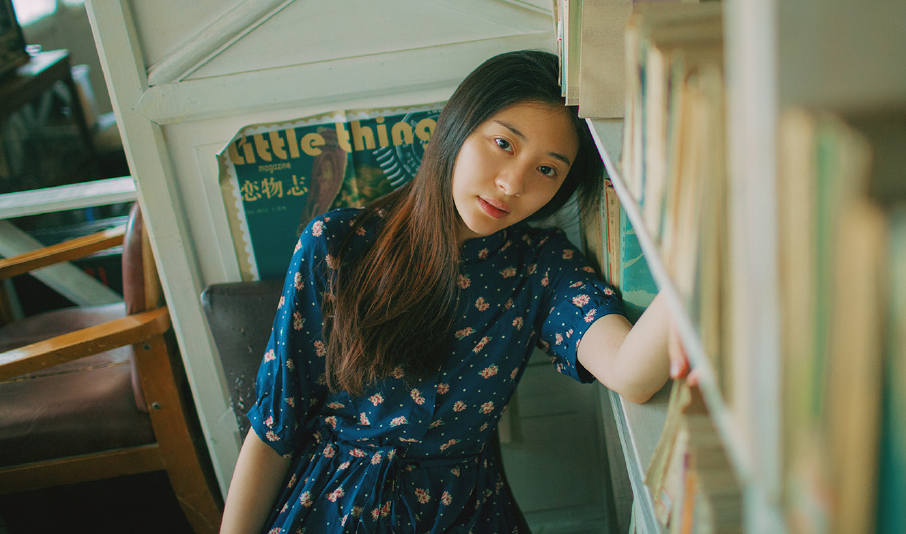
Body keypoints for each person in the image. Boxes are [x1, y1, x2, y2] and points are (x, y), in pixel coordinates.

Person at [220, 50, 689, 533]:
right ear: (457, 127)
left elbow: (631, 371)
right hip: (334, 510)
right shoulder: (338, 246)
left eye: (547, 170)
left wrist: (704, 246)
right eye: (504, 143)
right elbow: (275, 429)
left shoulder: (540, 266)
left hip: (465, 515)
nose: (512, 183)